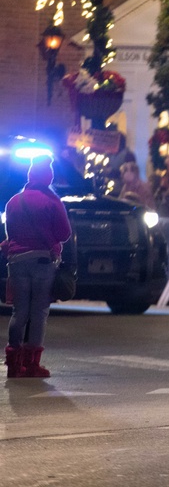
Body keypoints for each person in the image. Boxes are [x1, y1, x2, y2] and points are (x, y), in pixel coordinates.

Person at [3, 155, 72, 378]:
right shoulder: (52, 201)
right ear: (48, 176)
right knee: (39, 311)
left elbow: (10, 233)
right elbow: (64, 233)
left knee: (19, 310)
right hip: (42, 261)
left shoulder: (14, 201)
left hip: (16, 261)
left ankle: (14, 362)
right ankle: (32, 364)